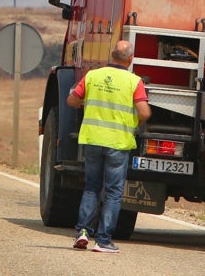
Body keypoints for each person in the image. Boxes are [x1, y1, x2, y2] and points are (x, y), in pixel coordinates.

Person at [66, 40, 151, 254]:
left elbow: (71, 101)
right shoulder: (134, 81)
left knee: (91, 187)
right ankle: (103, 241)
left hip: (93, 139)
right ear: (130, 59)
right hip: (118, 143)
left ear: (111, 56)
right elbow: (144, 112)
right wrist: (135, 121)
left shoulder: (93, 76)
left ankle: (83, 232)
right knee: (113, 192)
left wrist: (89, 103)